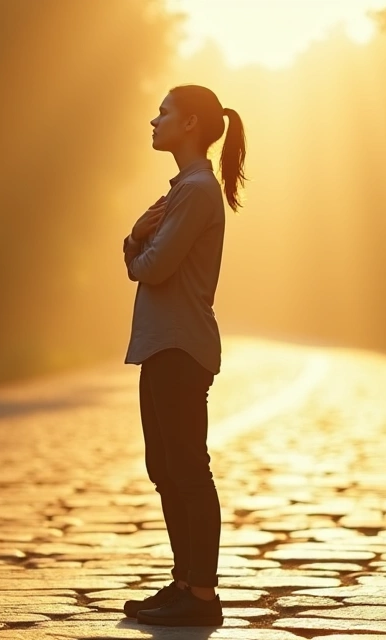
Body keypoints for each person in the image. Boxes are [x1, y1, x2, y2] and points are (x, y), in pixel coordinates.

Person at [120, 84, 247, 627]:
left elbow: (153, 266)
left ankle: (200, 595)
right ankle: (182, 583)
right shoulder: (183, 188)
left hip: (180, 344)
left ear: (191, 123)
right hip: (163, 344)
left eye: (164, 112)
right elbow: (149, 259)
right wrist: (138, 241)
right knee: (165, 467)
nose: (154, 120)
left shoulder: (195, 190)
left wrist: (132, 240)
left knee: (188, 468)